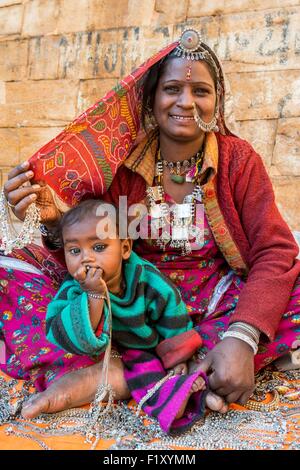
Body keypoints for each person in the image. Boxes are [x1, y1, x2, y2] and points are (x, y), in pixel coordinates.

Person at [1, 28, 300, 422]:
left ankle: (135, 372)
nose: (185, 102)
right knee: (11, 269)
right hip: (131, 305)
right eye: (172, 88)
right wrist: (54, 220)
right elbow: (94, 243)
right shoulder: (124, 167)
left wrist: (242, 335)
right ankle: (183, 373)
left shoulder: (237, 161)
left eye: (201, 92)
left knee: (284, 291)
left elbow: (274, 250)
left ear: (217, 100)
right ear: (152, 99)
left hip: (216, 303)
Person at [45, 198, 206, 432]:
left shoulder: (147, 281)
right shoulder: (74, 287)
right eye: (74, 250)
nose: (85, 258)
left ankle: (184, 390)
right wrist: (93, 296)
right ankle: (172, 399)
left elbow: (173, 313)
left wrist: (179, 357)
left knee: (158, 367)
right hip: (112, 355)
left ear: (125, 248)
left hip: (151, 345)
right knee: (136, 374)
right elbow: (59, 325)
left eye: (98, 247)